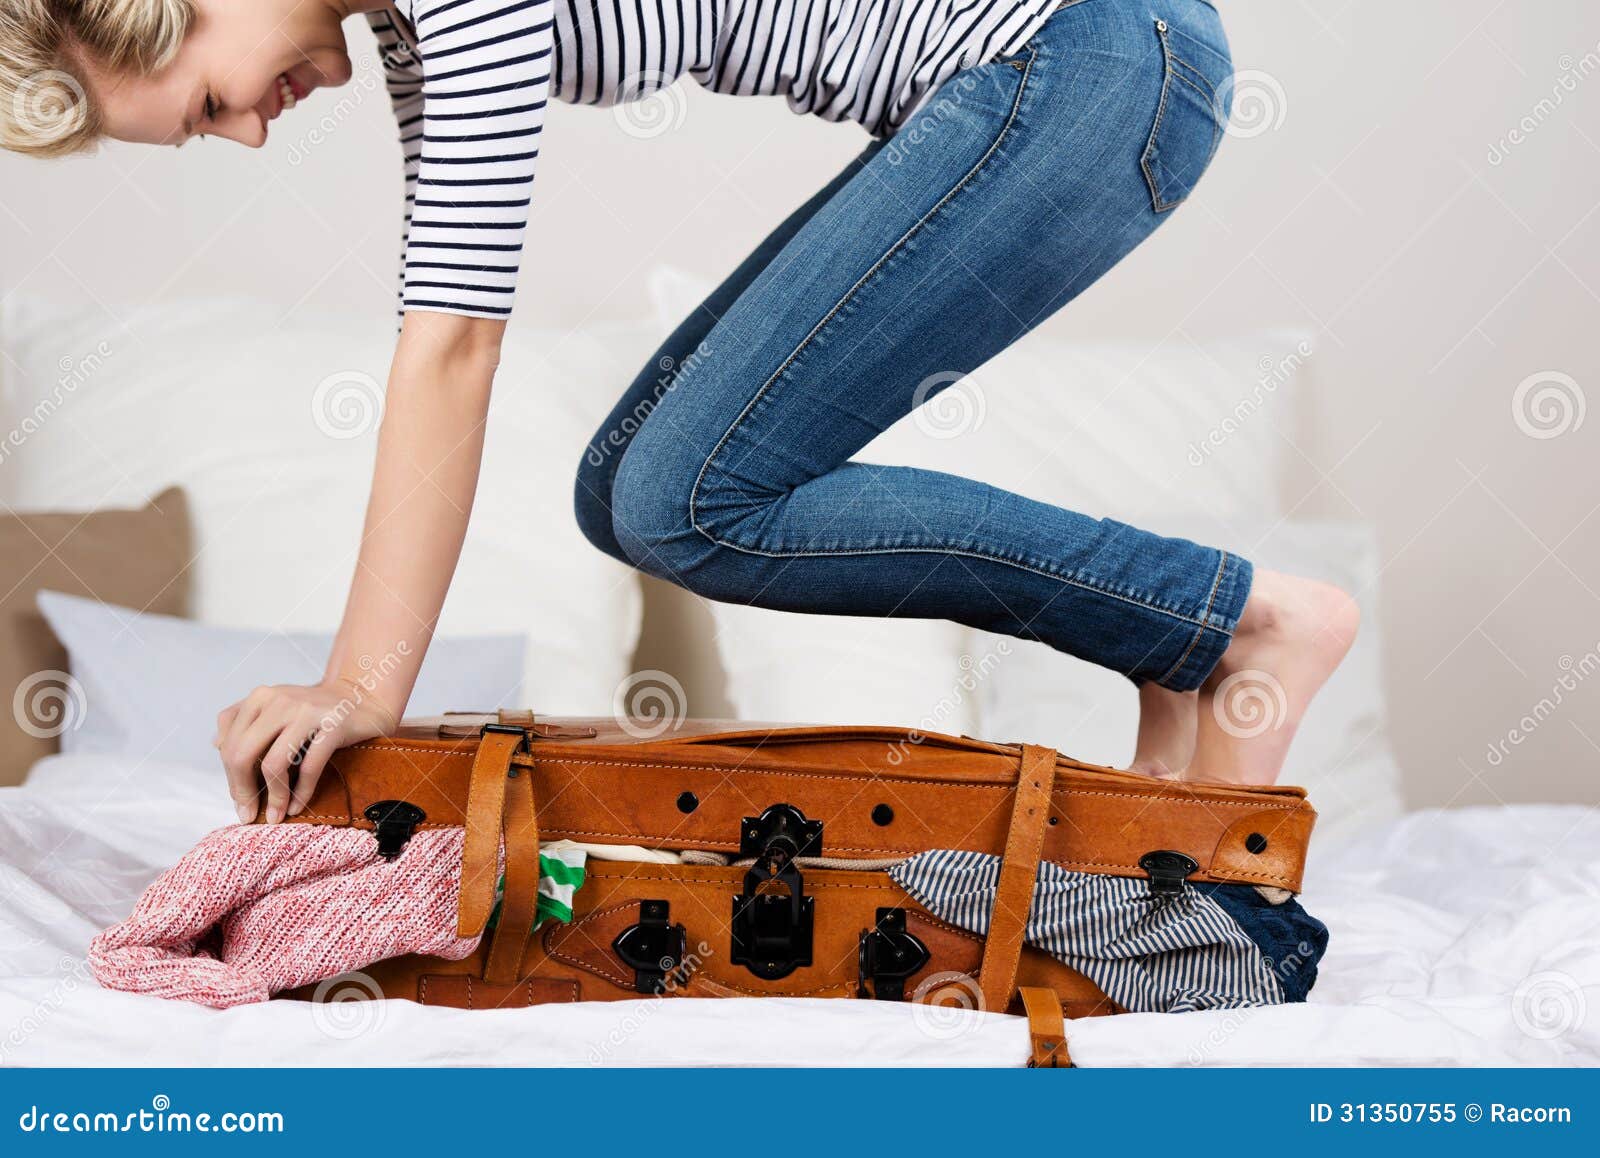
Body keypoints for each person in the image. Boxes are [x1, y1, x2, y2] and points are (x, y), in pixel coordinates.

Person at [1, 0, 1358, 823]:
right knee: (627, 491)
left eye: (204, 107)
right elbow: (451, 331)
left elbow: (451, 349)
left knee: (682, 495)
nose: (248, 134)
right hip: (1070, 68)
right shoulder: (424, 35)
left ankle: (1233, 619)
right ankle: (1180, 648)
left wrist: (358, 687)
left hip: (1084, 60)